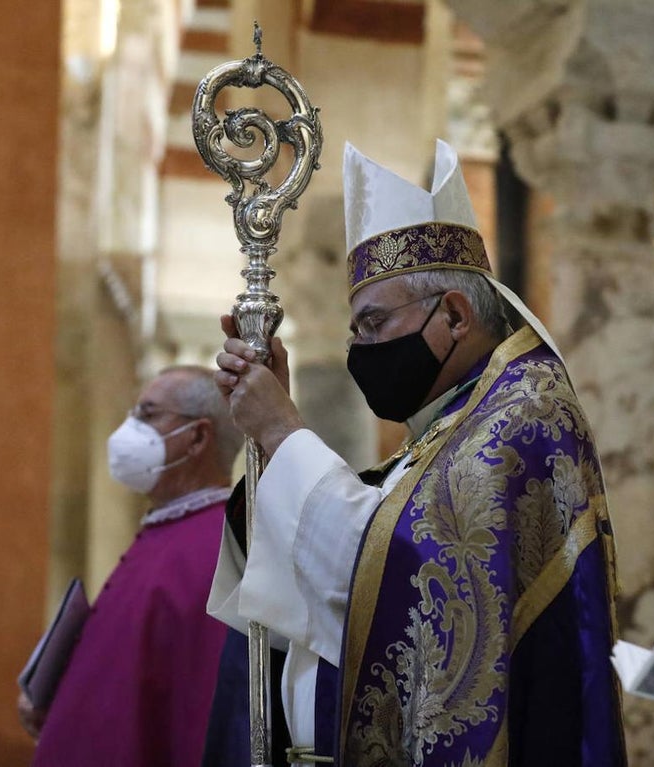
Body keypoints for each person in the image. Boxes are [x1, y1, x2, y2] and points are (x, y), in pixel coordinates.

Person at [209, 139, 627, 766]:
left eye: (374, 325)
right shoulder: (448, 429)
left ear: (454, 315)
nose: (362, 349)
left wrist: (283, 430)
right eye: (355, 331)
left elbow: (411, 578)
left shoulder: (522, 414)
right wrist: (272, 447)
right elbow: (363, 555)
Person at [21, 365, 245, 766]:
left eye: (148, 414)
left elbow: (200, 707)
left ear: (196, 437)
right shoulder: (167, 531)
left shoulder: (215, 551)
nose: (129, 429)